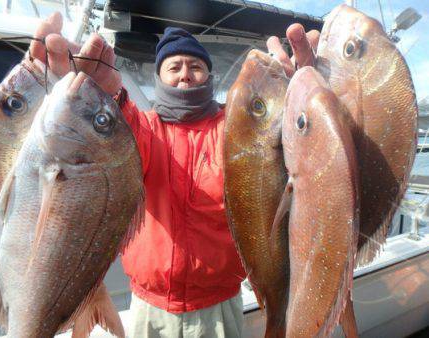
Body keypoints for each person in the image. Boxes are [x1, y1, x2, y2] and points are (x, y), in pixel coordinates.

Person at [30, 12, 319, 338]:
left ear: (210, 76)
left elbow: (279, 143)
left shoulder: (235, 128)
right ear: (159, 77)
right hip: (148, 309)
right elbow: (114, 132)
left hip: (218, 308)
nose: (186, 74)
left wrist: (298, 99)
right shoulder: (145, 127)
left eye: (196, 67)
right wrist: (104, 97)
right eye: (174, 66)